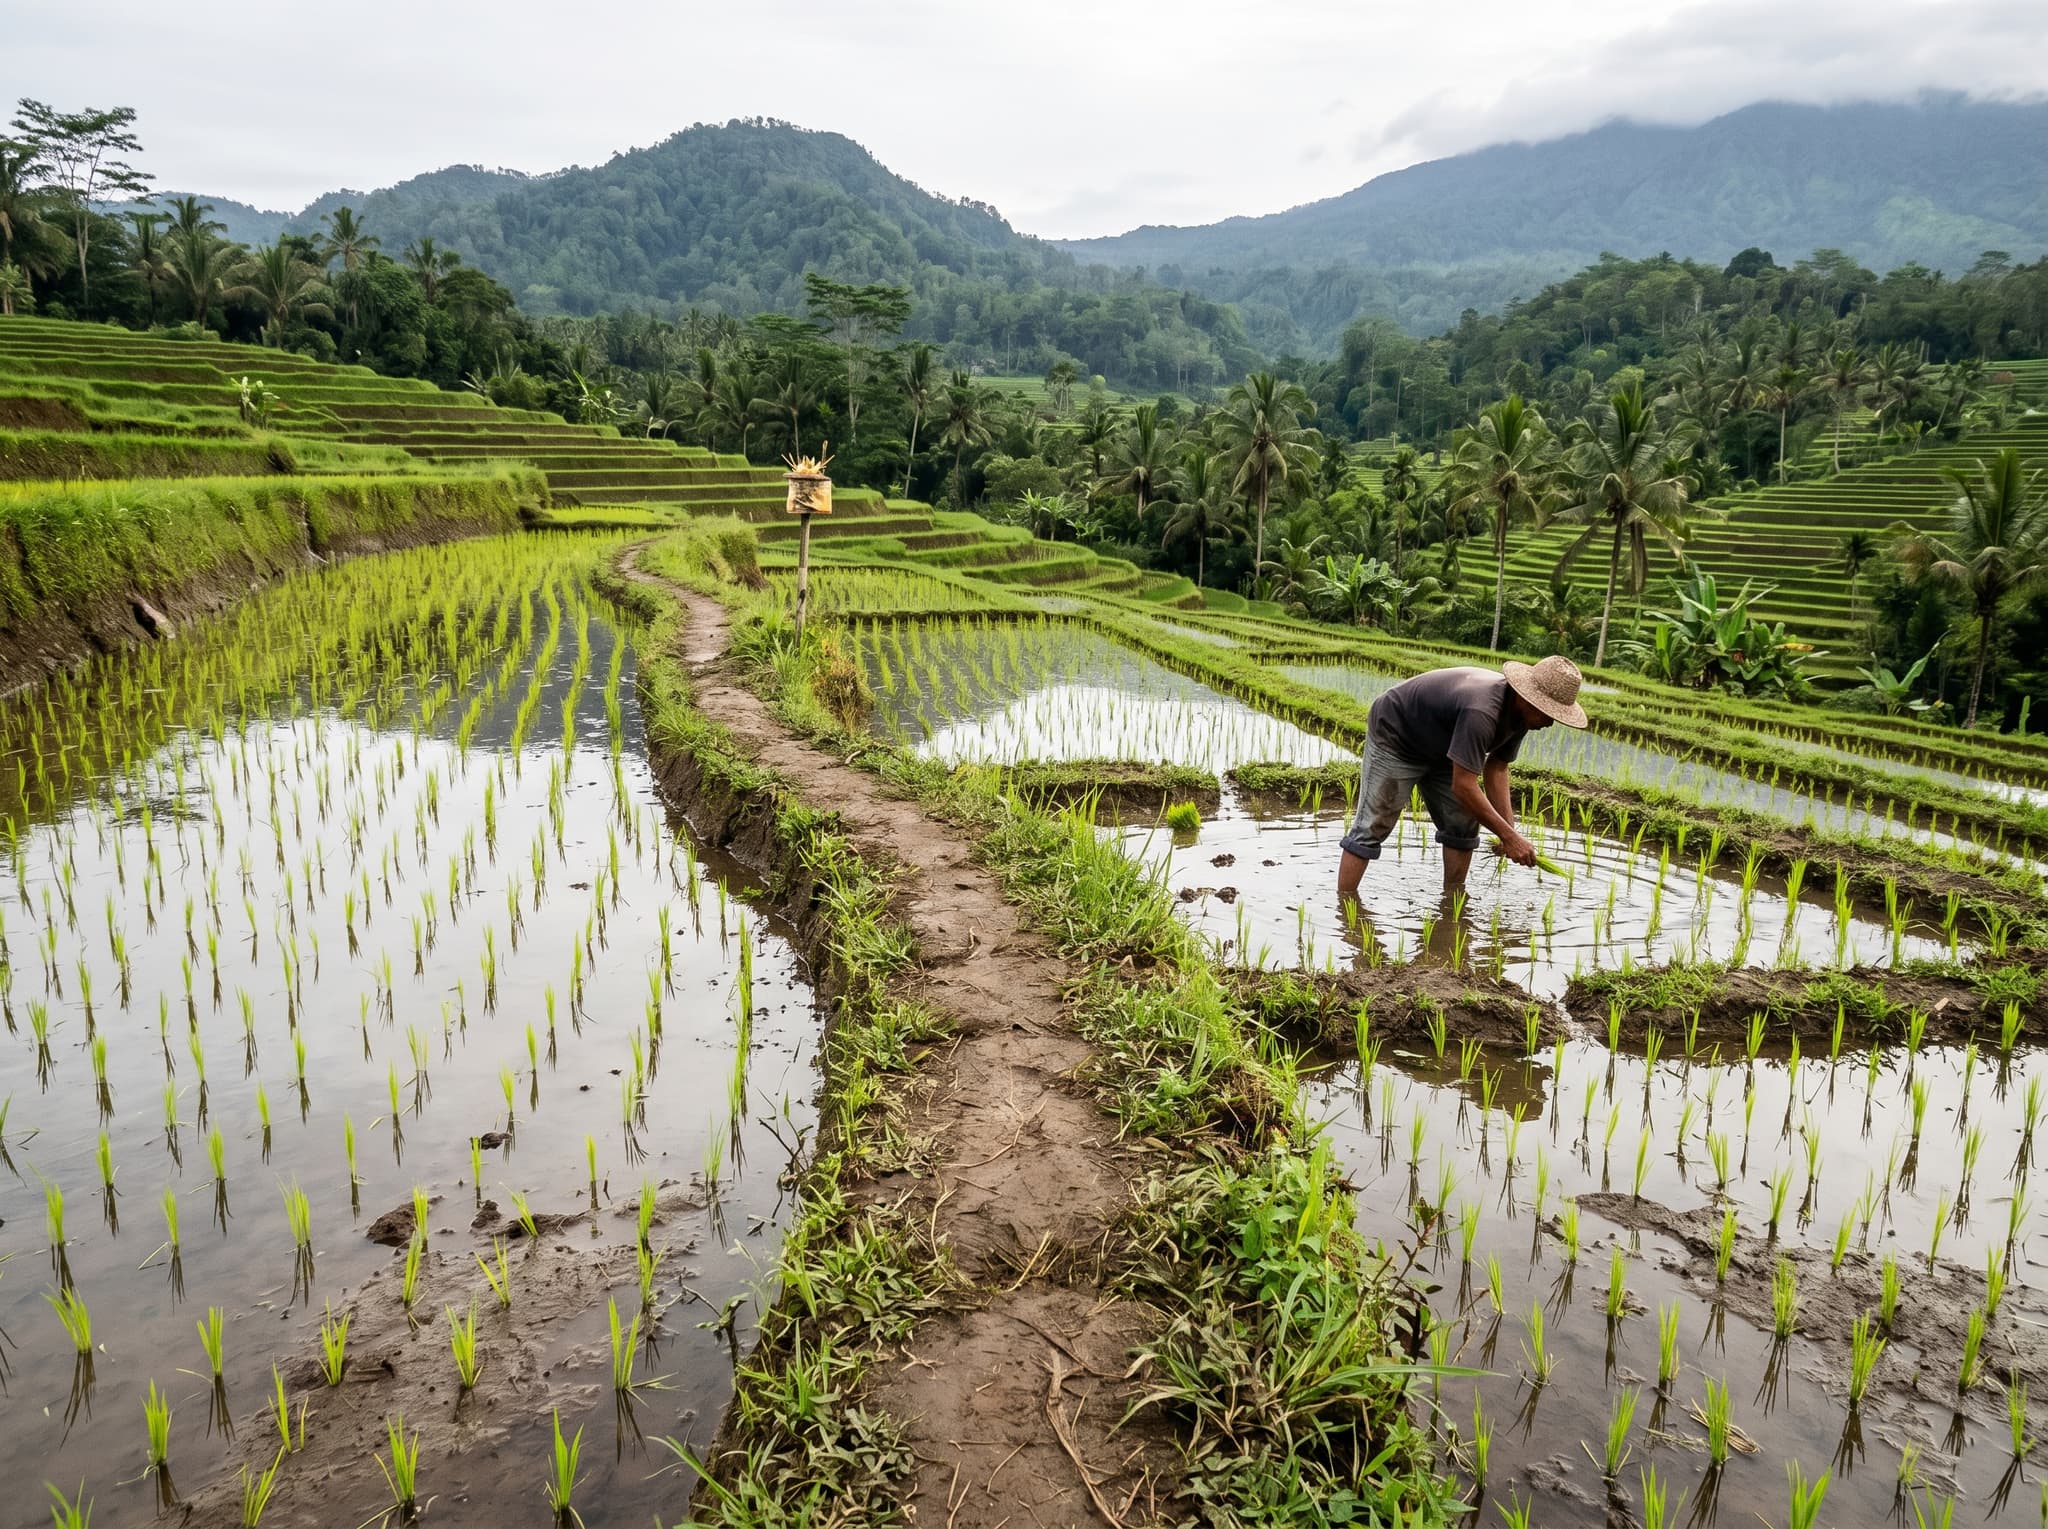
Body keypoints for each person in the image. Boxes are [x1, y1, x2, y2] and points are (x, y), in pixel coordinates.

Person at [1337, 655, 1589, 895]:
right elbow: (1463, 785)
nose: (1550, 721)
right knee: (1373, 825)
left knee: (1463, 825)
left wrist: (1508, 830)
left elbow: (1497, 767)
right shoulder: (1482, 711)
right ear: (1528, 698)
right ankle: (1344, 907)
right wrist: (1509, 837)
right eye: (1548, 712)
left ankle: (1452, 901)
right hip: (1398, 736)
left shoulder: (1523, 716)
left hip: (1445, 748)